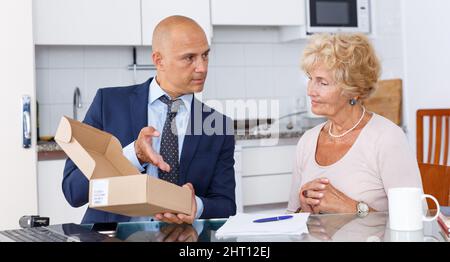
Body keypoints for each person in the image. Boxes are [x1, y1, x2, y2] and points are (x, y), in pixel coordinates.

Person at [62, 15, 236, 224]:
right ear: (158, 60)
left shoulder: (219, 126)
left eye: (205, 56)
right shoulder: (108, 104)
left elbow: (226, 205)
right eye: (189, 58)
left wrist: (196, 206)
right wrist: (132, 155)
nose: (202, 68)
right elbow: (73, 190)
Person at [287, 33, 423, 216]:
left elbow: (415, 217)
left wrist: (352, 207)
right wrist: (303, 207)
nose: (311, 90)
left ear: (353, 90)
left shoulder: (387, 138)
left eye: (322, 83)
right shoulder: (308, 141)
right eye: (310, 78)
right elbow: (290, 216)